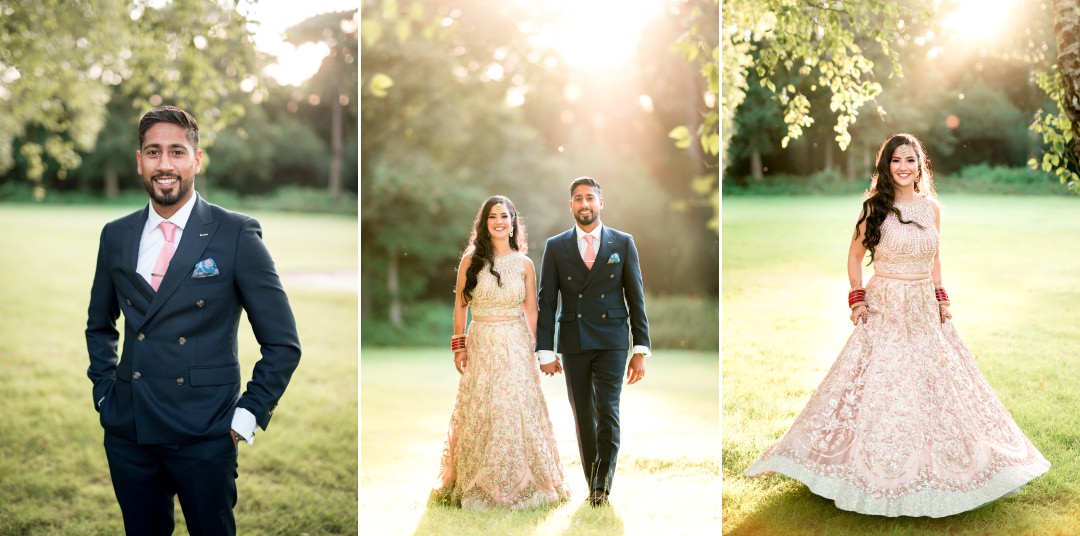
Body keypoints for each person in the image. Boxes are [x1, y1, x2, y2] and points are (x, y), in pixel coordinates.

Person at [744, 133, 1051, 517]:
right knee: (881, 382)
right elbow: (855, 257)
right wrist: (857, 300)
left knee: (939, 384)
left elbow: (936, 258)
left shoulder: (932, 208)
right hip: (885, 304)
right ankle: (865, 466)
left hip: (923, 306)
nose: (903, 167)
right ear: (885, 166)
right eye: (895, 161)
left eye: (910, 160)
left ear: (920, 165)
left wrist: (942, 297)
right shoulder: (875, 207)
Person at [85, 105, 302, 535]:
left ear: (196, 160)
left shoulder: (236, 234)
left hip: (206, 432)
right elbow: (100, 324)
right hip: (129, 428)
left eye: (177, 152)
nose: (164, 164)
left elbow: (283, 344)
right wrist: (104, 394)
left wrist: (246, 417)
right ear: (139, 160)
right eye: (153, 152)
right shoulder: (116, 234)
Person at [430, 195, 571, 510]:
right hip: (481, 342)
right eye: (493, 216)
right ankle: (476, 485)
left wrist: (544, 349)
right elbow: (460, 305)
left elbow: (532, 311)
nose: (499, 222)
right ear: (485, 223)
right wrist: (459, 345)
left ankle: (527, 484)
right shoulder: (472, 260)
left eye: (504, 216)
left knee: (516, 409)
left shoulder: (524, 264)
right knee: (484, 409)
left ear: (513, 222)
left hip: (517, 343)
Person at [535, 177, 651, 507]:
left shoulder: (623, 243)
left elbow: (636, 297)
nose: (584, 204)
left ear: (601, 203)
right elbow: (547, 302)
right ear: (570, 205)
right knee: (583, 413)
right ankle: (592, 479)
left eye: (590, 198)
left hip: (613, 338)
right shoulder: (556, 246)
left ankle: (602, 484)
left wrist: (640, 349)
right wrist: (546, 351)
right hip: (574, 340)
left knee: (608, 409)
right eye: (578, 199)